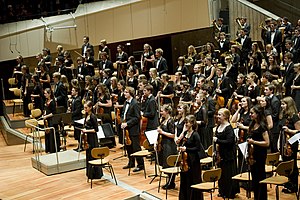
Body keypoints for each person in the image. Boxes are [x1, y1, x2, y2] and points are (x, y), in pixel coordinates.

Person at [213, 108, 239, 199]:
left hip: (228, 154)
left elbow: (229, 142)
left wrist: (218, 140)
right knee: (222, 173)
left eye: (220, 115)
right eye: (218, 114)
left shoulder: (228, 128)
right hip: (220, 154)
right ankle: (222, 190)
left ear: (225, 117)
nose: (218, 116)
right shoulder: (218, 126)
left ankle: (229, 192)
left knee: (228, 173)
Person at [176, 115, 204, 200]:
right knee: (184, 180)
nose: (185, 124)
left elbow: (198, 148)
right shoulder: (185, 133)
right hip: (185, 161)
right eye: (185, 122)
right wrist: (180, 147)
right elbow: (178, 142)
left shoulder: (195, 135)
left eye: (187, 122)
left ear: (192, 123)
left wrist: (186, 149)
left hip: (193, 161)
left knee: (192, 180)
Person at [247, 105, 270, 200]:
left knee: (260, 176)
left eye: (252, 113)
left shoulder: (263, 126)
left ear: (258, 114)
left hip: (260, 154)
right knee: (254, 178)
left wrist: (254, 142)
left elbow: (267, 143)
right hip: (252, 154)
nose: (250, 114)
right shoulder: (252, 124)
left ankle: (262, 198)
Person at [278, 97, 300, 193]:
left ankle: (294, 185)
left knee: (292, 163)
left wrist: (289, 130)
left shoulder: (294, 116)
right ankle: (288, 182)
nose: (282, 106)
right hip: (284, 141)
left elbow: (299, 131)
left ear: (289, 104)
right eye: (282, 104)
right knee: (286, 162)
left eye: (284, 104)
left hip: (292, 143)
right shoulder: (284, 115)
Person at [121, 87, 144, 172]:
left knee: (136, 147)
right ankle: (131, 162)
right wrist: (122, 121)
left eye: (126, 92)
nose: (124, 93)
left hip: (133, 129)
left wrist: (127, 123)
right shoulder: (125, 102)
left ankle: (141, 164)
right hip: (126, 128)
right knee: (128, 146)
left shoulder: (135, 103)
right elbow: (123, 113)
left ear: (130, 93)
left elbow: (137, 117)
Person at [156, 104, 177, 189]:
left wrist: (162, 132)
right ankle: (169, 181)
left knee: (169, 163)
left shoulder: (170, 121)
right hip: (164, 144)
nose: (161, 112)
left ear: (167, 112)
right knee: (165, 163)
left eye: (162, 111)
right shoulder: (163, 120)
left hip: (169, 145)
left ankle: (171, 182)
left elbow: (173, 135)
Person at [82, 101, 103, 179]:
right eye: (84, 107)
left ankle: (96, 174)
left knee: (93, 155)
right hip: (88, 138)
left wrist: (86, 131)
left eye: (86, 108)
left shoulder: (93, 116)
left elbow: (96, 129)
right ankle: (90, 174)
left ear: (90, 107)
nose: (85, 109)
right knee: (88, 155)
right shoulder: (86, 115)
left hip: (92, 138)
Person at [43, 88, 60, 153]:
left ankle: (53, 149)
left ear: (49, 94)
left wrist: (46, 116)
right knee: (47, 134)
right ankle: (48, 149)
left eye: (45, 93)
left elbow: (53, 112)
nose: (44, 95)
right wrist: (44, 114)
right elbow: (46, 109)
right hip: (47, 120)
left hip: (52, 121)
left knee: (51, 135)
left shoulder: (52, 102)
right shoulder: (46, 101)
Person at [68, 87, 82, 151]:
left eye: (73, 90)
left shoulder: (78, 100)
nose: (71, 91)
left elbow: (78, 111)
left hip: (77, 119)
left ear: (77, 92)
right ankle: (79, 146)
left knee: (78, 133)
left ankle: (81, 146)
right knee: (76, 133)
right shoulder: (73, 99)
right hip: (75, 118)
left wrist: (71, 114)